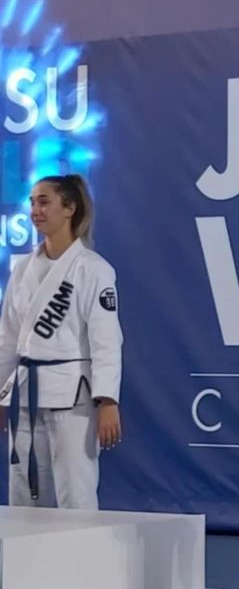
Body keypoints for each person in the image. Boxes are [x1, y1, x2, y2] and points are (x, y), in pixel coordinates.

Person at [0, 174, 123, 509]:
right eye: (32, 202)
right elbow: (8, 339)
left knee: (75, 492)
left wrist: (108, 400)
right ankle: (26, 546)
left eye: (44, 202)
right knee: (24, 492)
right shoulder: (23, 269)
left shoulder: (93, 269)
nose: (35, 210)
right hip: (26, 393)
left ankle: (83, 547)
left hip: (73, 397)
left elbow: (106, 341)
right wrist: (1, 394)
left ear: (69, 208)